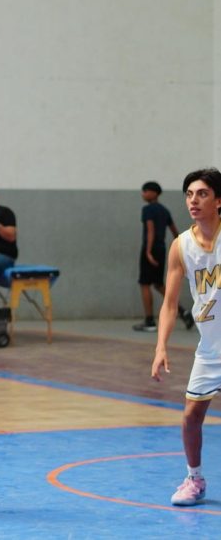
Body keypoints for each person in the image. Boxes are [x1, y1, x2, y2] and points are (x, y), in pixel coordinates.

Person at [151, 167, 221, 507]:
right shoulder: (181, 246)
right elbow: (169, 303)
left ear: (219, 201)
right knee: (191, 416)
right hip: (210, 348)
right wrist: (160, 345)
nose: (194, 200)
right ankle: (194, 479)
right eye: (190, 194)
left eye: (202, 193)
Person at [135, 180, 193, 332]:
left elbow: (150, 230)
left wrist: (148, 251)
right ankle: (183, 312)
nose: (143, 194)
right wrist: (182, 248)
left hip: (151, 249)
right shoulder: (164, 210)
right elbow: (175, 232)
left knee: (144, 283)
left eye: (145, 190)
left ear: (154, 193)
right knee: (158, 284)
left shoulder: (148, 210)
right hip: (161, 249)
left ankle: (149, 321)